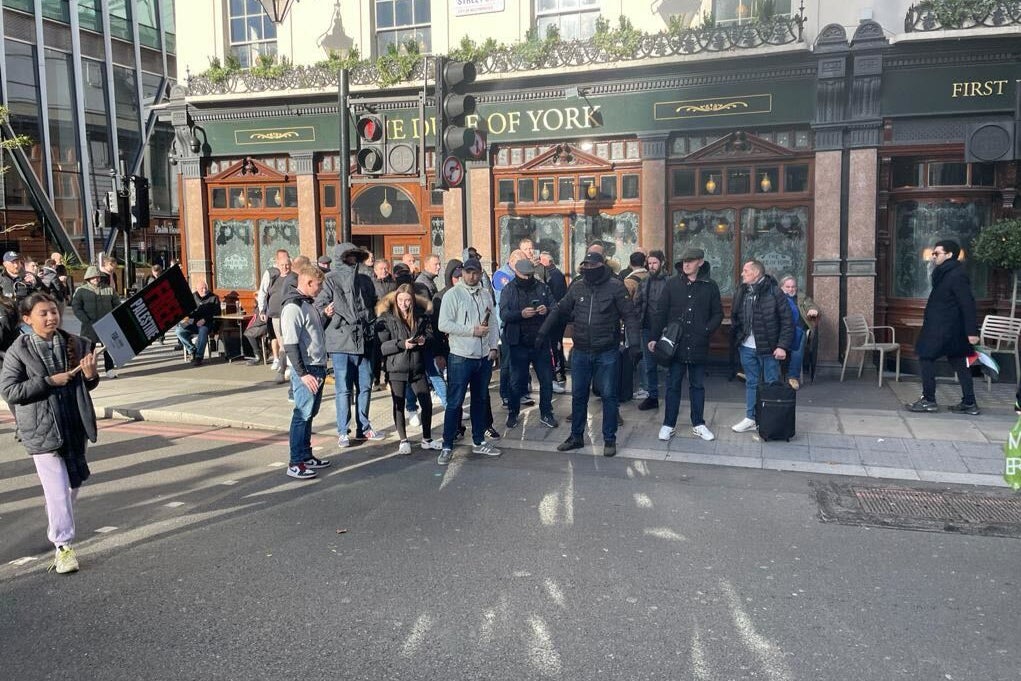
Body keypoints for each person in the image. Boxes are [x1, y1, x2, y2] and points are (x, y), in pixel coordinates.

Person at [0, 291, 101, 573]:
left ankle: (58, 523)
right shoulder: (17, 352)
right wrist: (48, 381)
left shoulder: (76, 344)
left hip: (74, 424)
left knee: (73, 485)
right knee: (56, 489)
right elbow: (9, 390)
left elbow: (87, 385)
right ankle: (63, 547)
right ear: (26, 319)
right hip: (41, 428)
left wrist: (91, 375)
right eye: (42, 313)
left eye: (53, 312)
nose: (50, 317)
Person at [540, 252, 640, 457]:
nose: (588, 271)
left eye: (591, 267)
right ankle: (576, 436)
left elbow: (629, 315)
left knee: (609, 396)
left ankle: (609, 439)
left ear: (601, 267)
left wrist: (635, 344)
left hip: (607, 351)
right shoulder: (577, 286)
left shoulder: (615, 286)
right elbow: (560, 310)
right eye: (585, 267)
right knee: (578, 396)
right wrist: (543, 332)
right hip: (581, 351)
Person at [649, 248, 723, 442]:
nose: (686, 264)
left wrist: (706, 330)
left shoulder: (710, 286)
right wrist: (654, 337)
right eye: (684, 261)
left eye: (690, 261)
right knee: (673, 385)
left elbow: (718, 314)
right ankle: (668, 424)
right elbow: (660, 311)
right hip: (676, 344)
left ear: (700, 262)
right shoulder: (672, 284)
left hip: (698, 343)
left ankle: (698, 423)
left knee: (697, 385)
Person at [436, 257, 501, 465]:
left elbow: (492, 321)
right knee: (455, 402)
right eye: (468, 272)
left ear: (481, 273)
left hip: (482, 358)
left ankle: (479, 440)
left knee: (480, 400)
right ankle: (447, 444)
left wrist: (493, 346)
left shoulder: (484, 294)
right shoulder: (452, 295)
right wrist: (471, 331)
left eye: (475, 272)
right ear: (462, 273)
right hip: (460, 357)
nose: (471, 276)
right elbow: (443, 324)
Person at [317, 241, 381, 447]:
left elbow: (374, 305)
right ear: (341, 257)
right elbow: (319, 307)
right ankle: (343, 430)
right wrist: (329, 314)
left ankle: (364, 427)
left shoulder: (365, 279)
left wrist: (373, 324)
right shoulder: (329, 279)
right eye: (349, 256)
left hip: (364, 339)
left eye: (355, 255)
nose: (353, 259)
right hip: (341, 341)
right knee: (343, 388)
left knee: (365, 386)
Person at [908, 240, 980, 415]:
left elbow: (967, 303)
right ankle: (969, 403)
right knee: (958, 362)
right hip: (944, 327)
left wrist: (972, 331)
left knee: (926, 357)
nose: (933, 257)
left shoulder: (956, 274)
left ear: (949, 255)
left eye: (937, 253)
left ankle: (929, 400)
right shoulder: (944, 273)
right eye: (933, 253)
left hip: (944, 328)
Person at [376, 284, 442, 454]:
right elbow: (382, 346)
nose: (404, 304)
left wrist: (424, 341)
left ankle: (427, 438)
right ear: (395, 300)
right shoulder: (386, 318)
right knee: (399, 404)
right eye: (400, 300)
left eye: (407, 300)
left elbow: (431, 337)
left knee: (426, 403)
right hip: (396, 367)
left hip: (417, 367)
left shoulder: (420, 317)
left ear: (412, 300)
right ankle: (403, 439)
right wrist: (401, 344)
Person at [280, 264, 331, 480]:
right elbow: (290, 345)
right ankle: (295, 462)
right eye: (318, 285)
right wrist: (302, 374)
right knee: (301, 414)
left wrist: (325, 317)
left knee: (310, 414)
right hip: (307, 369)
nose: (320, 290)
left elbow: (312, 335)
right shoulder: (293, 307)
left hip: (316, 366)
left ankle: (306, 455)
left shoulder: (307, 304)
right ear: (308, 283)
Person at [730, 260, 794, 433]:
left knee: (771, 384)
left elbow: (787, 321)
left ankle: (771, 421)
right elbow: (736, 317)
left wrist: (782, 346)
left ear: (756, 273)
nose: (742, 274)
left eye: (746, 271)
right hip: (746, 347)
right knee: (751, 383)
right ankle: (750, 418)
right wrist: (738, 339)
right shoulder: (742, 291)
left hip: (769, 349)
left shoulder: (774, 292)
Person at [500, 258, 557, 429]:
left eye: (530, 275)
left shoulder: (542, 287)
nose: (527, 278)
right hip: (518, 342)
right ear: (516, 273)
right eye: (524, 275)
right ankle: (512, 412)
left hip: (540, 341)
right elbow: (504, 314)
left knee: (546, 379)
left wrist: (546, 310)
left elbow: (555, 308)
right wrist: (520, 314)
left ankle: (546, 413)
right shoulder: (509, 289)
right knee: (516, 381)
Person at [71, 266, 120, 378]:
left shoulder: (109, 289)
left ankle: (110, 369)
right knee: (88, 349)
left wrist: (113, 318)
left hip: (106, 324)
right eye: (93, 277)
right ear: (88, 278)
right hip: (89, 325)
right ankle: (87, 372)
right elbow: (76, 307)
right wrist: (85, 319)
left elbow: (117, 304)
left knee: (108, 348)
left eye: (98, 277)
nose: (96, 279)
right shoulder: (81, 291)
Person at [635, 250, 668, 410]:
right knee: (649, 365)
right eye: (650, 263)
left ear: (662, 262)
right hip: (646, 327)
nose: (652, 266)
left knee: (668, 365)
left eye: (655, 263)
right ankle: (652, 396)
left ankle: (670, 397)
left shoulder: (670, 282)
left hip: (665, 330)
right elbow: (637, 303)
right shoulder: (644, 282)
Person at [778, 276, 819, 390]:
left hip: (797, 329)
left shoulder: (801, 297)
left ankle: (793, 377)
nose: (791, 289)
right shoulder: (776, 297)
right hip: (780, 330)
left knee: (799, 341)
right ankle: (759, 374)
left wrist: (813, 310)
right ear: (781, 287)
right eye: (788, 287)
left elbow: (812, 305)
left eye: (793, 287)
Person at [176, 280, 220, 366]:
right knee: (179, 331)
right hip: (192, 321)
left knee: (203, 331)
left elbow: (216, 312)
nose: (204, 290)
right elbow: (187, 311)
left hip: (206, 322)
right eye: (201, 289)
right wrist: (186, 317)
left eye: (205, 288)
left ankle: (199, 357)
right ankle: (192, 350)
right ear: (197, 289)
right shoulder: (193, 297)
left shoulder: (214, 298)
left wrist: (204, 319)